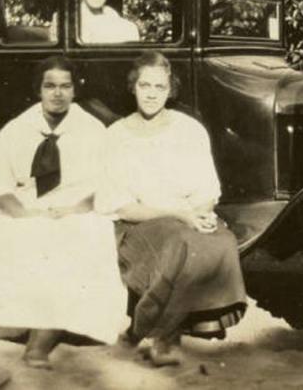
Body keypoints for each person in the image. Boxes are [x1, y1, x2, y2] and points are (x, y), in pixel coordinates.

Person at [0, 56, 127, 368]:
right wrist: (23, 213)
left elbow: (108, 182)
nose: (58, 93)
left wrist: (73, 209)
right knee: (9, 228)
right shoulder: (17, 128)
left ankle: (42, 338)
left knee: (74, 235)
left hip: (76, 207)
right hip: (24, 205)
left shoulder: (92, 130)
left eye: (65, 86)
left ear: (75, 90)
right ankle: (7, 319)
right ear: (38, 90)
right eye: (49, 86)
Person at [96, 52, 246, 367]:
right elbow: (119, 205)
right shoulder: (116, 136)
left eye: (159, 87)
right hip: (137, 224)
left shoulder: (189, 130)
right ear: (133, 87)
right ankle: (160, 336)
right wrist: (180, 215)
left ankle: (141, 330)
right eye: (144, 85)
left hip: (189, 216)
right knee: (182, 245)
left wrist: (201, 213)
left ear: (170, 89)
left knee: (222, 243)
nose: (151, 94)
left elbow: (207, 188)